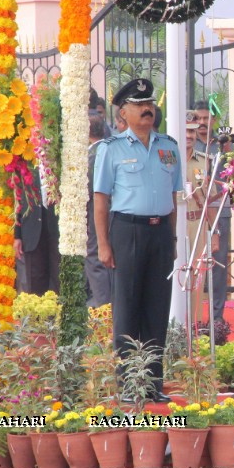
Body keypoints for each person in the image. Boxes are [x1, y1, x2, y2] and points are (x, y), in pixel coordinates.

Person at [94, 79, 182, 402]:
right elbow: (101, 200)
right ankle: (129, 385)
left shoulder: (168, 147)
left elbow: (174, 195)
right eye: (139, 105)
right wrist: (104, 244)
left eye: (150, 104)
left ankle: (152, 384)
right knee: (128, 309)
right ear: (124, 112)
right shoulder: (111, 149)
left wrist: (171, 239)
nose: (148, 110)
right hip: (127, 231)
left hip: (160, 233)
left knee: (157, 308)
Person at [190, 101, 231, 323]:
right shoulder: (188, 143)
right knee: (193, 262)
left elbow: (231, 178)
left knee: (218, 266)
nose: (203, 123)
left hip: (219, 210)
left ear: (214, 120)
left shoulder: (224, 145)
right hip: (194, 211)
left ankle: (217, 319)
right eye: (198, 118)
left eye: (207, 118)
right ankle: (192, 319)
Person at [183, 115, 219, 324]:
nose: (188, 136)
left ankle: (194, 327)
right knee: (177, 276)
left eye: (192, 131)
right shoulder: (169, 158)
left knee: (198, 278)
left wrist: (214, 233)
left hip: (198, 224)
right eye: (185, 130)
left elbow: (210, 200)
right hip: (176, 226)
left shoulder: (204, 160)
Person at [14, 170, 61, 295]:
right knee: (35, 285)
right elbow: (17, 197)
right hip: (31, 226)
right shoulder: (23, 156)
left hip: (57, 224)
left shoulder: (56, 153)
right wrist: (17, 235)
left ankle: (60, 313)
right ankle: (39, 314)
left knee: (59, 277)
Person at [86, 113, 113, 308]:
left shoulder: (94, 155)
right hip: (111, 213)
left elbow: (93, 190)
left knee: (96, 257)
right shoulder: (108, 150)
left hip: (99, 212)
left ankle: (103, 307)